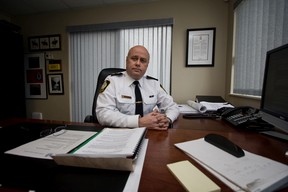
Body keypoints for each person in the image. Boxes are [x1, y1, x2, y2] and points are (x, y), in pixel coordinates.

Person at [96, 45, 179, 130]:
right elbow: (103, 113)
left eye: (143, 61)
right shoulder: (113, 81)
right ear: (127, 60)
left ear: (147, 65)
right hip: (120, 133)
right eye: (134, 58)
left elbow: (172, 107)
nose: (138, 63)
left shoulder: (154, 84)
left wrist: (166, 120)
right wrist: (138, 122)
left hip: (149, 133)